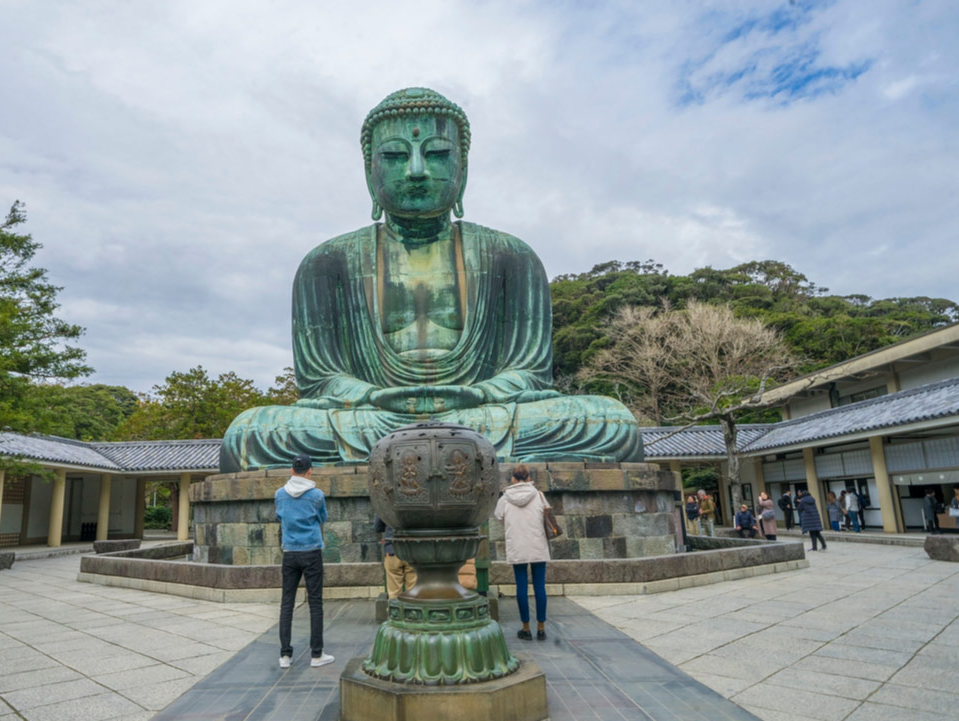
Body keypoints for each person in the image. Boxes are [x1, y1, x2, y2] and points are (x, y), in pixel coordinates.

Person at [219, 87, 642, 472]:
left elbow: (528, 372)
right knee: (251, 432)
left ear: (463, 168)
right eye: (396, 156)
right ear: (370, 173)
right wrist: (370, 396)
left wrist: (476, 394)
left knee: (608, 421)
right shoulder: (327, 263)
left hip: (483, 412)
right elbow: (321, 380)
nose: (417, 170)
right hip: (373, 416)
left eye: (437, 153)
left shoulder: (511, 256)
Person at [274, 454, 333, 668]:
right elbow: (322, 518)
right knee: (315, 603)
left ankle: (285, 655)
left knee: (287, 603)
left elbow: (280, 517)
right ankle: (317, 654)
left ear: (291, 471)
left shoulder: (280, 494)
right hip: (311, 551)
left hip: (290, 552)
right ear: (310, 471)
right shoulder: (316, 495)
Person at [494, 465, 550, 641]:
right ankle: (541, 628)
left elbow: (499, 517)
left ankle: (525, 628)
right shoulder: (539, 495)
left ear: (513, 478)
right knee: (540, 586)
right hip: (537, 545)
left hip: (517, 545)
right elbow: (546, 514)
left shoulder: (505, 499)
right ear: (528, 478)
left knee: (521, 587)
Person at [375, 515, 416, 599]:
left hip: (392, 550)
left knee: (394, 592)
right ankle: (412, 610)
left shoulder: (385, 503)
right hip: (412, 550)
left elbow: (378, 527)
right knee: (413, 590)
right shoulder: (417, 502)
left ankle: (394, 611)